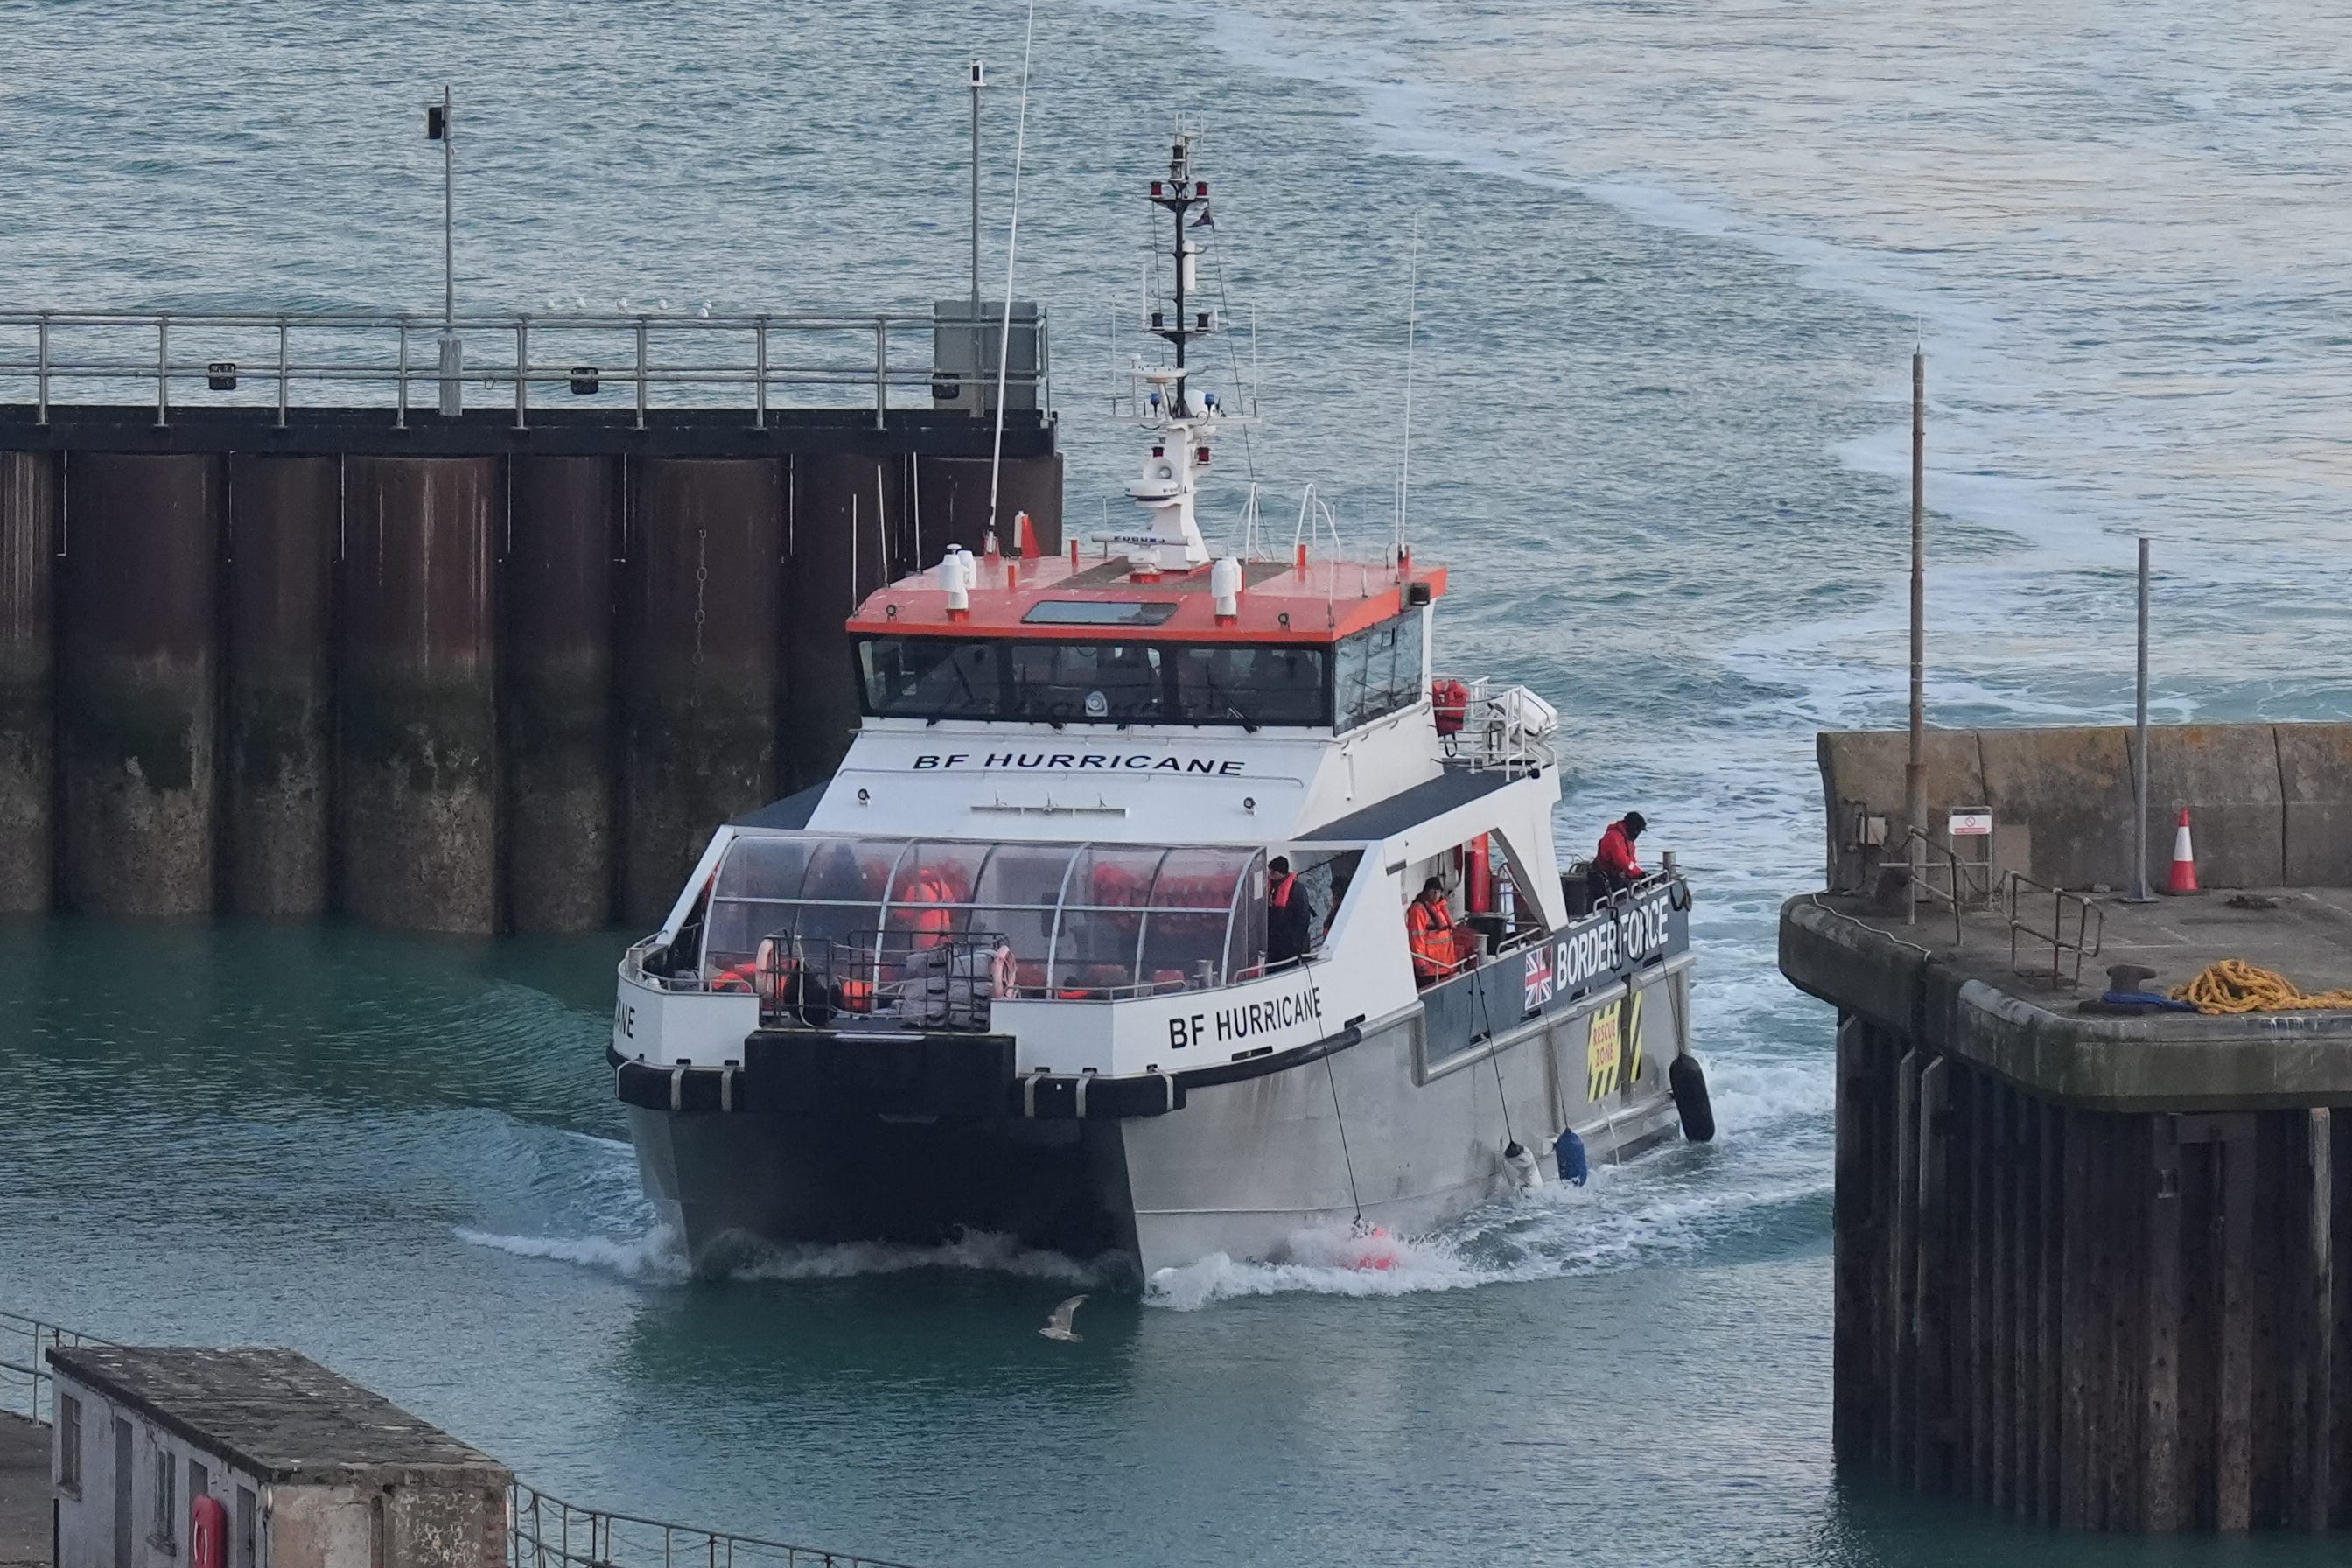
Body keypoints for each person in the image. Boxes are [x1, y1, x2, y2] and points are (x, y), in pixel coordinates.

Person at [1405, 877, 1456, 987]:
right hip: (1430, 970)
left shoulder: (1437, 908)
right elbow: (1416, 938)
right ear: (1433, 892)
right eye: (1439, 892)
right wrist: (1421, 964)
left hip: (1444, 967)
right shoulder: (1418, 911)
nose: (1440, 896)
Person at [1265, 856, 1314, 970]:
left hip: (1289, 942)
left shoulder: (1297, 890)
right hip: (1274, 941)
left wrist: (1296, 942)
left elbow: (1303, 917)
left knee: (1286, 967)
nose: (1270, 874)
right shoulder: (1272, 887)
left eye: (1272, 871)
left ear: (1279, 872)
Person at [1588, 811, 1648, 900]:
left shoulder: (1628, 839)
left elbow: (1631, 861)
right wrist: (1639, 874)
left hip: (1614, 876)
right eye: (1638, 830)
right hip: (1601, 877)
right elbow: (1623, 861)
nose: (1638, 834)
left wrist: (1637, 873)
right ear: (1632, 828)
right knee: (1604, 903)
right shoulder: (1615, 838)